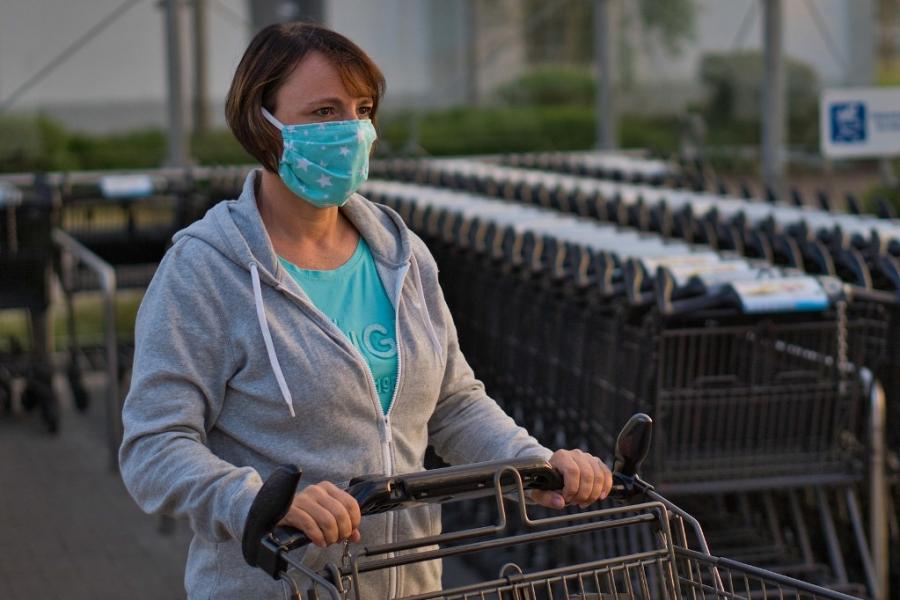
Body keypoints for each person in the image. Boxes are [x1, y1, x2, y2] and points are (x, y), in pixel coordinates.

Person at [119, 21, 612, 599]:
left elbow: (452, 403)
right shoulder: (207, 270)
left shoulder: (399, 255)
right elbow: (154, 445)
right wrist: (255, 501)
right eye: (324, 112)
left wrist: (532, 465)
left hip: (411, 584)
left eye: (362, 108)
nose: (351, 130)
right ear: (263, 122)